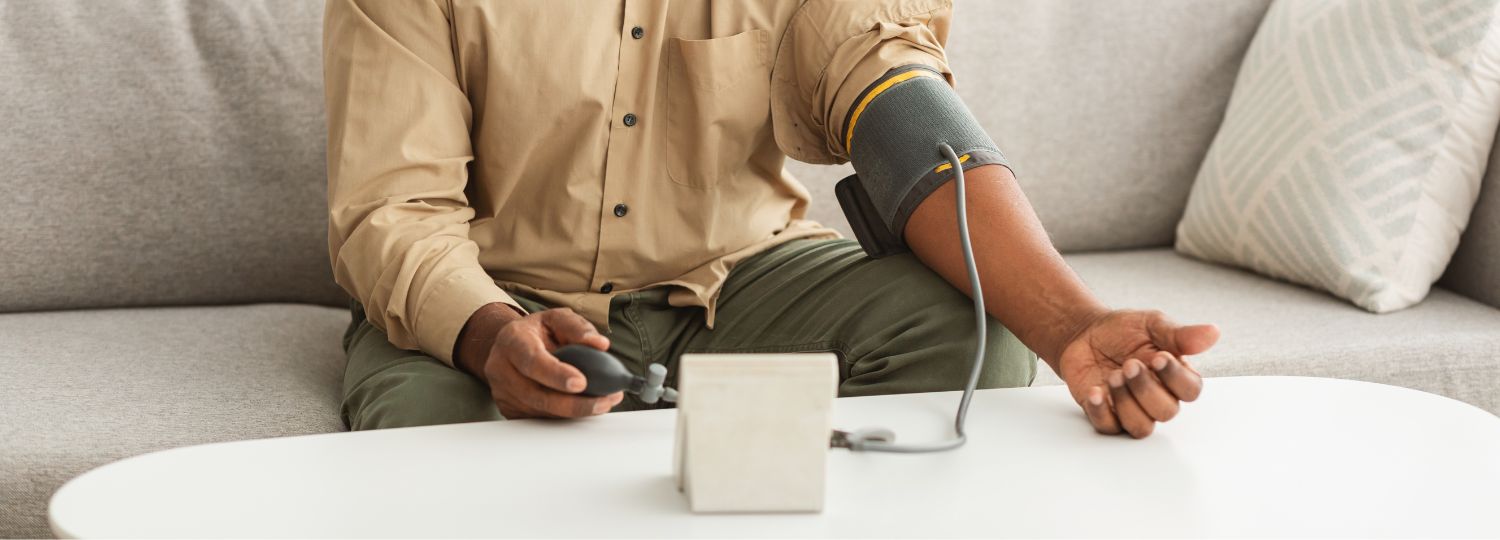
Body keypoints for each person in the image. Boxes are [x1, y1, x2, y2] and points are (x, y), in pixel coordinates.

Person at [323, 0, 1219, 439]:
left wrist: (1071, 323)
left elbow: (895, 102)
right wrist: (488, 337)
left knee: (969, 334)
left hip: (736, 277)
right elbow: (391, 210)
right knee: (429, 436)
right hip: (491, 294)